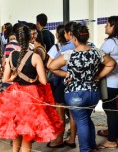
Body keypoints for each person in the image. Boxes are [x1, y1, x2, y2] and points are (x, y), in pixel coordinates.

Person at [0, 26, 63, 152]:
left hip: (14, 94)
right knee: (27, 132)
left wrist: (16, 76)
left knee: (16, 129)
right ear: (31, 37)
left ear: (16, 39)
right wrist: (32, 79)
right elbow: (44, 81)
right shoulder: (35, 57)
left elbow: (5, 79)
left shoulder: (12, 55)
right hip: (30, 96)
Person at [49, 23, 116, 152]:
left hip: (75, 94)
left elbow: (52, 66)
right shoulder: (96, 52)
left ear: (74, 38)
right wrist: (97, 76)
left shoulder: (70, 54)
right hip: (92, 93)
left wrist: (68, 74)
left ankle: (85, 149)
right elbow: (111, 63)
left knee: (82, 121)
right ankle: (92, 146)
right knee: (86, 119)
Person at [97, 16, 118, 149]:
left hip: (110, 82)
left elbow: (99, 60)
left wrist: (96, 76)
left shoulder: (110, 43)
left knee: (110, 109)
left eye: (107, 25)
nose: (105, 27)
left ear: (113, 26)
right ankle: (113, 132)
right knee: (114, 109)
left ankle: (111, 140)